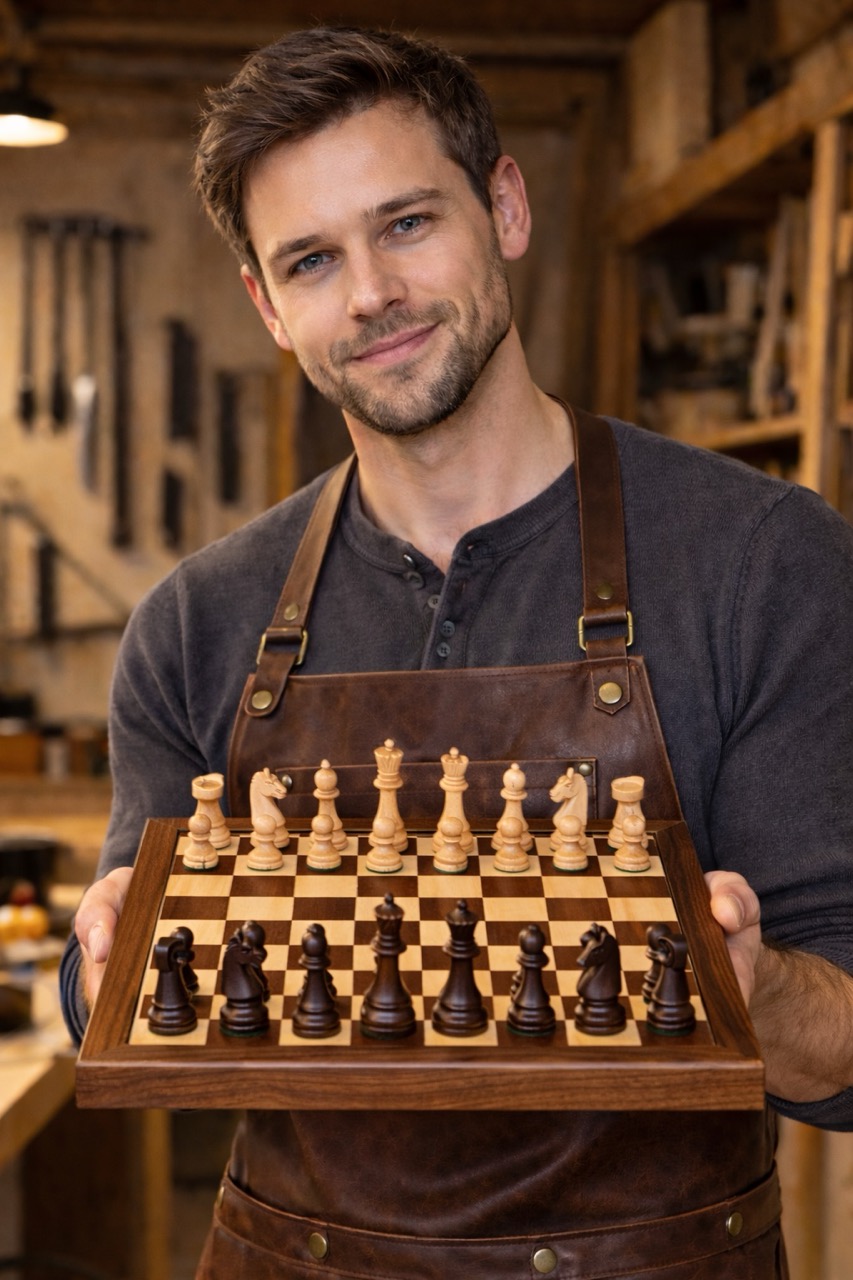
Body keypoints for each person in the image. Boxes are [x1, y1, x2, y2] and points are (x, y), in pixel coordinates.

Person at [61, 25, 853, 1280]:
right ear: (269, 306)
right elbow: (126, 1000)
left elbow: (850, 1050)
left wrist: (740, 988)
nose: (369, 292)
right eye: (311, 259)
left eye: (408, 224)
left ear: (505, 207)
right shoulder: (196, 622)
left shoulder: (762, 560)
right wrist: (102, 960)